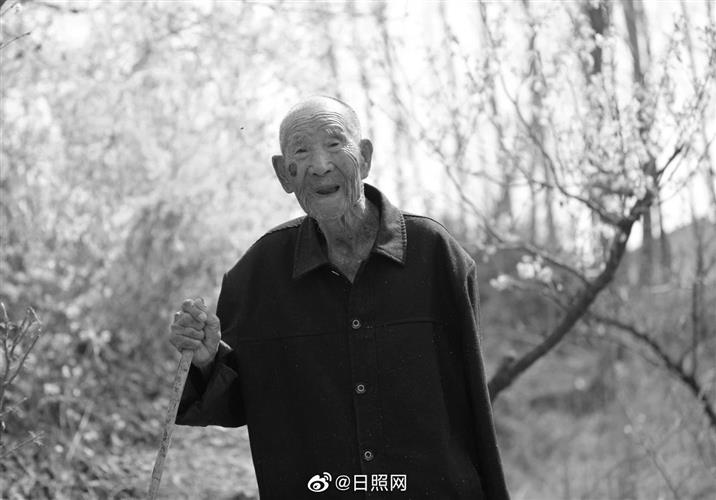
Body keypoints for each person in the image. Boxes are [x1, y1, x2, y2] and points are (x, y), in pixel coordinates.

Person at [170, 96, 510, 499]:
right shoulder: (258, 274)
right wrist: (206, 360)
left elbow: (474, 403)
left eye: (334, 144)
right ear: (283, 174)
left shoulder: (435, 255)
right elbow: (235, 404)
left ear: (364, 157)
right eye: (301, 151)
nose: (319, 165)